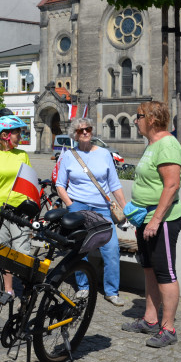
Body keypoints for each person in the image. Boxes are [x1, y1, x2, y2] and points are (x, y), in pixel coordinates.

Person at [123, 100, 181, 348]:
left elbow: (172, 185)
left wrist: (156, 220)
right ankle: (150, 319)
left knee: (165, 273)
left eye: (137, 116)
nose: (135, 121)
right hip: (145, 218)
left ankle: (168, 328)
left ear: (150, 118)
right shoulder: (152, 144)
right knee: (149, 268)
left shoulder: (167, 144)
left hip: (163, 220)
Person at [54, 117, 128, 307]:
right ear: (75, 135)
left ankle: (111, 291)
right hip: (78, 206)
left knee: (111, 248)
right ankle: (83, 287)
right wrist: (71, 205)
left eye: (88, 128)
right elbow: (60, 185)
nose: (85, 132)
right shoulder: (68, 156)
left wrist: (126, 209)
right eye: (80, 130)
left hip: (102, 207)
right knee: (81, 248)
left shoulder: (104, 154)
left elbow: (114, 185)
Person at [0, 115, 32, 294]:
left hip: (19, 212)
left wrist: (31, 207)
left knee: (23, 253)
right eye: (18, 132)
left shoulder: (23, 155)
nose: (21, 136)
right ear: (5, 135)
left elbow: (29, 184)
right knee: (3, 252)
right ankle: (8, 290)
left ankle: (27, 291)